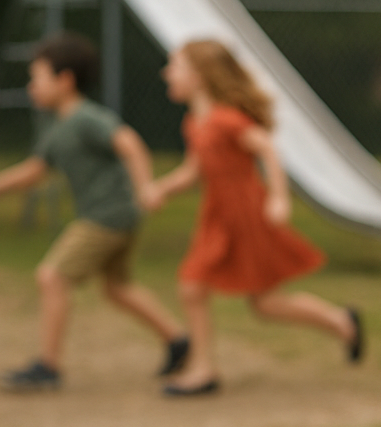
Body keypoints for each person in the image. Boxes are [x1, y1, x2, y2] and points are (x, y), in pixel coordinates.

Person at [142, 39, 360, 397]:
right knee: (195, 287)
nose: (167, 73)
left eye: (175, 66)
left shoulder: (226, 119)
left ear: (200, 75)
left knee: (264, 303)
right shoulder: (195, 122)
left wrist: (277, 198)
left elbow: (267, 148)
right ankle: (204, 368)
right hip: (217, 215)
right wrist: (162, 189)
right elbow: (193, 171)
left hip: (245, 215)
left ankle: (340, 323)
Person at [0, 32, 189, 392]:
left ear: (65, 80)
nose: (31, 87)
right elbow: (36, 170)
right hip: (116, 215)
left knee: (52, 277)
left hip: (108, 214)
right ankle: (178, 339)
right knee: (118, 288)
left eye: (37, 78)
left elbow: (130, 144)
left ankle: (48, 366)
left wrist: (145, 187)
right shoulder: (57, 127)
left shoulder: (86, 118)